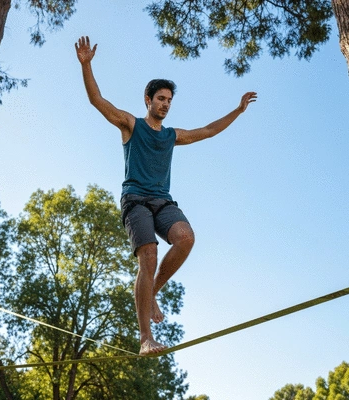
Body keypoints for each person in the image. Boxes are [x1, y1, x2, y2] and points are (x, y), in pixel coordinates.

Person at [75, 36, 257, 356]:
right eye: (160, 98)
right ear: (148, 100)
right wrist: (87, 65)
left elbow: (209, 130)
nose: (165, 104)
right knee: (148, 255)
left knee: (185, 238)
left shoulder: (173, 136)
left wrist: (238, 110)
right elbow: (97, 101)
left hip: (162, 201)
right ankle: (146, 338)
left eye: (169, 100)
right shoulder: (131, 125)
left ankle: (152, 291)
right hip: (135, 200)